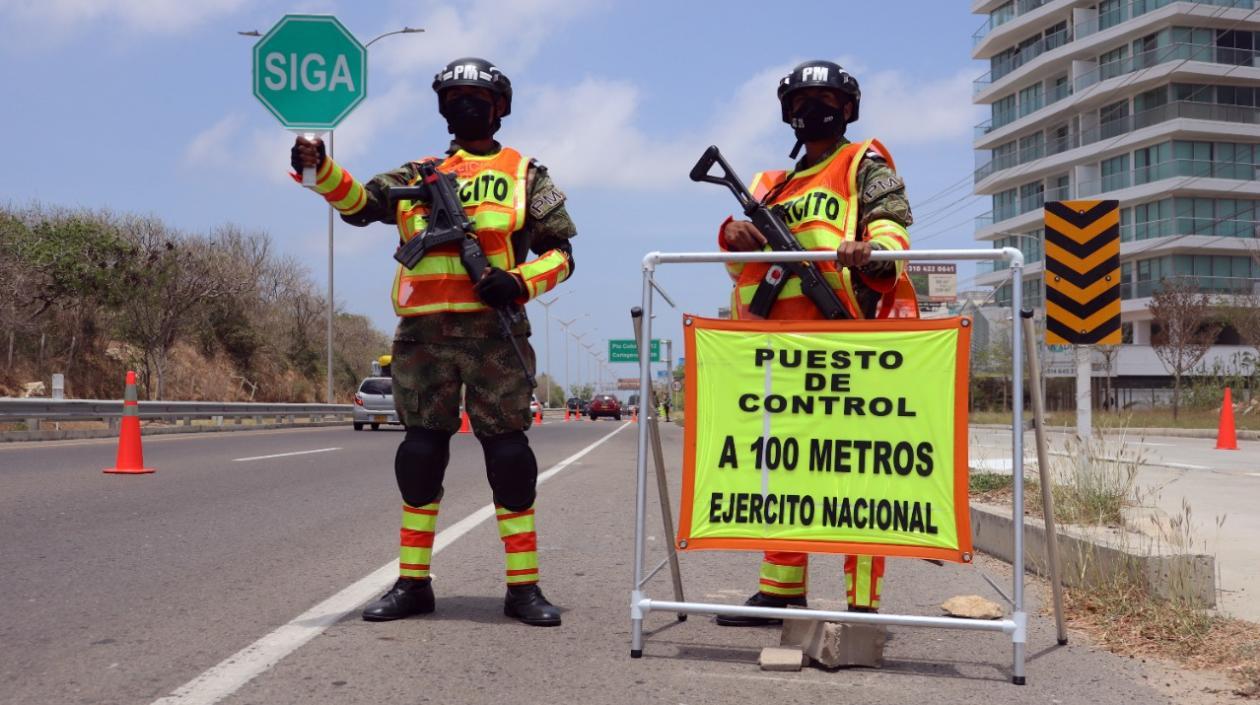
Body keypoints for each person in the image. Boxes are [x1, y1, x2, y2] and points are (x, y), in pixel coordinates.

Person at [290, 57, 576, 627]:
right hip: (422, 335)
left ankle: (523, 588)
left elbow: (563, 254)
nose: (466, 104)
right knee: (420, 455)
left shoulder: (528, 175)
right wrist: (320, 170)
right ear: (442, 107)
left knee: (510, 458)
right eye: (455, 96)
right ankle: (413, 582)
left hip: (494, 332)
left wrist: (518, 281)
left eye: (478, 96)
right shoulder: (417, 171)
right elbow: (362, 204)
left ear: (500, 108)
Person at [713, 60, 919, 626]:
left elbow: (893, 219)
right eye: (801, 102)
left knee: (859, 476)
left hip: (845, 341)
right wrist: (730, 234)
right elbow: (740, 270)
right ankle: (780, 592)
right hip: (776, 349)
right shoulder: (767, 185)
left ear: (848, 109)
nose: (812, 110)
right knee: (782, 471)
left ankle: (863, 604)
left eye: (824, 100)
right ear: (787, 114)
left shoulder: (863, 162)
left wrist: (871, 248)